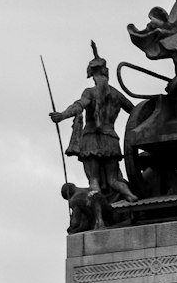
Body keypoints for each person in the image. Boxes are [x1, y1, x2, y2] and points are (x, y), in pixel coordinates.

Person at [50, 44, 134, 200]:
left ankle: (97, 204)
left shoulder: (90, 93)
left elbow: (79, 106)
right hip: (111, 140)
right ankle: (129, 195)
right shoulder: (117, 95)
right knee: (113, 179)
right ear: (106, 73)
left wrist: (62, 115)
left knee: (93, 180)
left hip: (91, 140)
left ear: (92, 74)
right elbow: (135, 112)